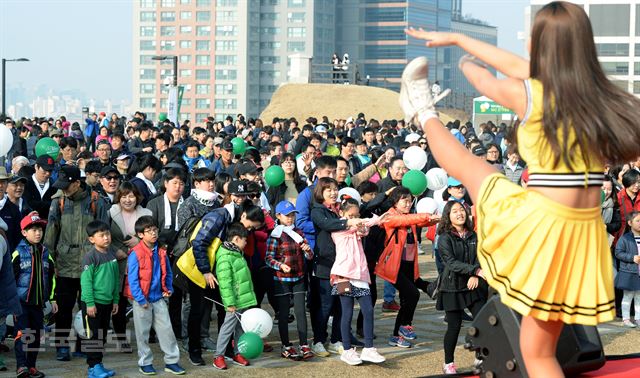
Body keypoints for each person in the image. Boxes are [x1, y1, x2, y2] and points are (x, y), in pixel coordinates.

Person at [404, 2, 639, 373]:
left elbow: (489, 80)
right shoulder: (606, 100)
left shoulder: (535, 94)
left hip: (543, 225)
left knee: (471, 167)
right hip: (583, 234)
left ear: (538, 46)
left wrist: (464, 58)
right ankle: (421, 108)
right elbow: (524, 68)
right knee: (538, 350)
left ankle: (421, 109)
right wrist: (461, 38)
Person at [181, 198, 265, 365]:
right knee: (198, 310)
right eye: (250, 226)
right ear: (244, 215)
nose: (248, 231)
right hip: (200, 270)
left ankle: (228, 351)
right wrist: (205, 270)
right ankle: (194, 350)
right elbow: (199, 242)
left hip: (217, 271)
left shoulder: (236, 222)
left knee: (224, 312)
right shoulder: (219, 216)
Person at [45, 165, 110, 362]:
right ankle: (62, 347)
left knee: (89, 308)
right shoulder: (58, 202)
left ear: (77, 183)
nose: (64, 189)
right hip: (64, 263)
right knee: (64, 309)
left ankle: (86, 347)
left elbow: (104, 232)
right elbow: (50, 233)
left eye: (67, 185)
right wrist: (50, 261)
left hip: (91, 264)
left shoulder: (96, 201)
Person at [375, 187, 438, 348]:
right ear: (395, 202)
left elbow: (419, 221)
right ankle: (405, 326)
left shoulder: (408, 216)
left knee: (406, 301)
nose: (408, 204)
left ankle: (396, 335)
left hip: (409, 264)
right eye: (405, 200)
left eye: (410, 201)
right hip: (394, 266)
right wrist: (426, 216)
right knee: (413, 294)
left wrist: (433, 219)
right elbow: (407, 221)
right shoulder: (390, 216)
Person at [310, 177, 364, 357]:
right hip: (325, 268)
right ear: (321, 193)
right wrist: (348, 222)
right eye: (328, 190)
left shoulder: (338, 210)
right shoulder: (318, 211)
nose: (333, 193)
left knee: (342, 304)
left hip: (342, 267)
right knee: (325, 305)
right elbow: (327, 225)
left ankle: (336, 340)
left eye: (335, 189)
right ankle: (318, 340)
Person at [125, 216, 185, 375]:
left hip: (159, 297)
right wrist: (140, 299)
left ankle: (172, 361)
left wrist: (168, 288)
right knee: (142, 334)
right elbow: (132, 279)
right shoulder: (135, 254)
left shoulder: (161, 251)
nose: (153, 233)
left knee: (167, 331)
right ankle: (145, 362)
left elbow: (168, 272)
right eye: (148, 231)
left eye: (154, 230)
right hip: (142, 300)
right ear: (140, 235)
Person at [330, 197, 386, 366]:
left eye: (357, 215)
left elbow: (363, 229)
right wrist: (374, 220)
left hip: (360, 275)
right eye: (350, 215)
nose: (354, 218)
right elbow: (358, 225)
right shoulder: (338, 227)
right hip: (343, 275)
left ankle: (369, 348)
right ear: (342, 213)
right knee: (347, 313)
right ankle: (347, 350)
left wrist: (370, 222)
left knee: (368, 310)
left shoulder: (358, 228)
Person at [436, 201, 487, 374]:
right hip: (452, 287)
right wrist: (475, 270)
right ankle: (448, 363)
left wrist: (474, 274)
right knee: (454, 326)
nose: (460, 213)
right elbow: (451, 263)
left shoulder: (473, 235)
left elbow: (481, 256)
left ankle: (481, 357)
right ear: (448, 216)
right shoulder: (444, 238)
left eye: (462, 210)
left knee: (482, 322)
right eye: (455, 211)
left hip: (473, 285)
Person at [265, 201, 314, 360]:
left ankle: (304, 345)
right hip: (281, 280)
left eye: (293, 215)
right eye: (287, 215)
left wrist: (308, 251)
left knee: (301, 313)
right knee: (284, 314)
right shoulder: (275, 235)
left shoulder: (299, 232)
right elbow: (268, 258)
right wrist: (280, 266)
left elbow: (310, 256)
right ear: (278, 216)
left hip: (299, 277)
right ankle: (286, 346)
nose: (290, 218)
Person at [108, 182, 151, 351]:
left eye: (131, 196)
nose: (128, 200)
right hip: (118, 262)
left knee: (141, 298)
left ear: (137, 197)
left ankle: (146, 335)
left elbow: (153, 236)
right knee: (119, 299)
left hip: (140, 262)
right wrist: (116, 250)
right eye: (124, 196)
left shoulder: (146, 213)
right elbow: (104, 235)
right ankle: (120, 336)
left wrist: (140, 241)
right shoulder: (111, 213)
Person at [12, 213, 54, 378]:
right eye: (33, 230)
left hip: (38, 303)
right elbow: (10, 280)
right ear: (24, 232)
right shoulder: (17, 253)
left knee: (36, 335)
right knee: (22, 334)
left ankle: (31, 366)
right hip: (21, 303)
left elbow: (51, 277)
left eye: (40, 230)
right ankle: (21, 366)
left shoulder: (45, 253)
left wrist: (52, 298)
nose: (38, 233)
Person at [80, 220, 121, 378]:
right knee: (93, 336)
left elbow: (116, 279)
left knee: (102, 335)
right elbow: (86, 282)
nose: (106, 238)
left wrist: (115, 300)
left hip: (107, 302)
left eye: (108, 234)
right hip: (93, 304)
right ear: (92, 239)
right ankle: (93, 367)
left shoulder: (111, 253)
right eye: (101, 235)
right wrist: (90, 303)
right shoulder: (90, 257)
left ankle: (98, 365)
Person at [212, 223, 256, 370]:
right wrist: (229, 303)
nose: (246, 243)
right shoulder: (225, 256)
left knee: (241, 328)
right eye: (245, 240)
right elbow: (225, 283)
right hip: (234, 301)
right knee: (228, 328)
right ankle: (219, 355)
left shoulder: (236, 253)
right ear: (236, 239)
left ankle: (238, 353)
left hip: (243, 299)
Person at [614, 211, 640, 328]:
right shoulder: (625, 238)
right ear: (630, 223)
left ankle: (638, 318)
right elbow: (618, 253)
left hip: (639, 272)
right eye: (638, 221)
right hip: (629, 272)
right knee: (628, 296)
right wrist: (632, 257)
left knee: (639, 296)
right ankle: (626, 318)